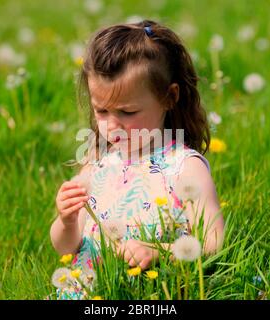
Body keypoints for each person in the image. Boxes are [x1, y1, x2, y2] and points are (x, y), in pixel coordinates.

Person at [49, 20, 225, 300]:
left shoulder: (183, 167)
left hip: (154, 294)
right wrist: (66, 221)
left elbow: (214, 243)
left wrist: (160, 253)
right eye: (102, 111)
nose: (112, 125)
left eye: (128, 112)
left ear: (170, 97)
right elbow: (66, 248)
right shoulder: (96, 163)